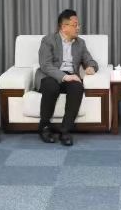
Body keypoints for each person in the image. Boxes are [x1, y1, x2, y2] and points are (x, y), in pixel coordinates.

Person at [36, 10, 98, 146]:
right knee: (51, 87)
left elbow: (90, 60)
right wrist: (64, 77)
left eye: (78, 25)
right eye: (75, 25)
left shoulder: (80, 43)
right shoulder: (48, 40)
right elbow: (45, 65)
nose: (78, 28)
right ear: (64, 27)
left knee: (77, 87)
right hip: (51, 76)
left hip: (70, 76)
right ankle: (44, 126)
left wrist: (91, 67)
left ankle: (65, 130)